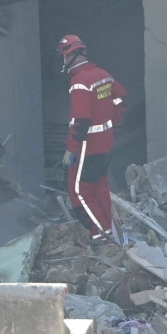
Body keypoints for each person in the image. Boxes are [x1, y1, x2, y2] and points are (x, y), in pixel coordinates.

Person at [57, 33, 124, 242]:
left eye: (64, 56)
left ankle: (102, 236)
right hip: (106, 142)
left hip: (88, 146)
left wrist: (71, 148)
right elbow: (120, 98)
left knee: (80, 192)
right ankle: (110, 230)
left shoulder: (80, 82)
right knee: (100, 187)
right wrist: (113, 121)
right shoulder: (103, 75)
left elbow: (80, 120)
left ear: (69, 56)